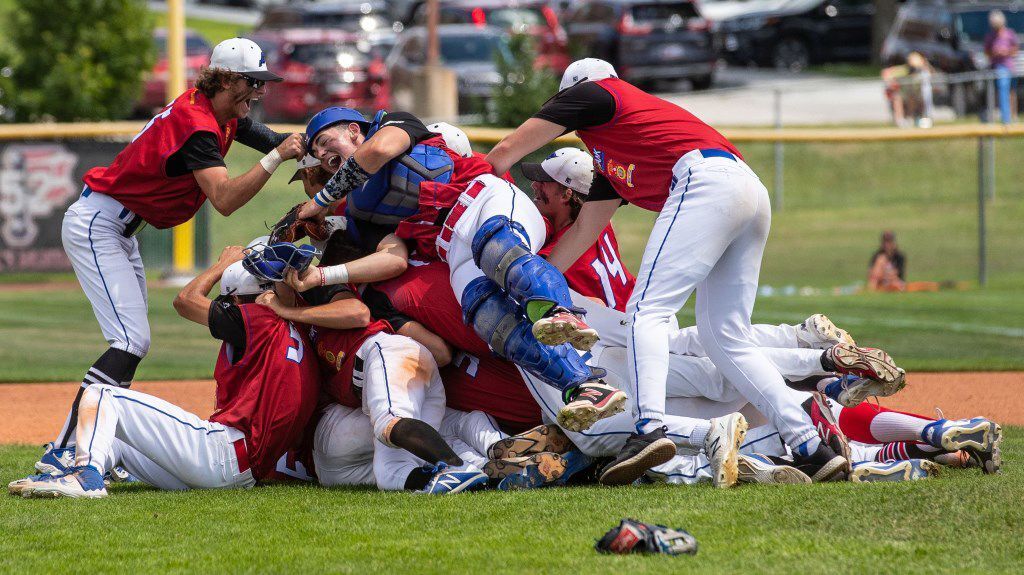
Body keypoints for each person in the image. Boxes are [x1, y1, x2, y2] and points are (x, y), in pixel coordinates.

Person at [485, 57, 852, 485]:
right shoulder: (612, 150)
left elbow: (505, 152)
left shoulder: (594, 94)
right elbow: (585, 228)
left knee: (647, 311)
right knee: (724, 336)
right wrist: (531, 280)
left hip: (705, 179)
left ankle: (649, 429)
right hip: (745, 187)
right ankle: (810, 444)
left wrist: (475, 189)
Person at [39, 37, 306, 474]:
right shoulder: (198, 122)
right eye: (253, 82)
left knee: (132, 341)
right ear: (227, 79)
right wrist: (278, 157)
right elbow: (224, 198)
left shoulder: (220, 113)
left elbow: (280, 139)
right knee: (129, 341)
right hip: (99, 222)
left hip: (121, 226)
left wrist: (327, 151)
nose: (260, 91)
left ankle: (89, 440)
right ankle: (66, 450)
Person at [287, 108, 625, 432]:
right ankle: (583, 385)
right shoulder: (361, 211)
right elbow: (394, 257)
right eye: (316, 150)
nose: (320, 151)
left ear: (352, 129)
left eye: (324, 140)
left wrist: (319, 201)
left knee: (498, 250)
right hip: (452, 246)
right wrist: (322, 270)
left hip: (482, 199)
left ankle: (557, 311)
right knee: (492, 320)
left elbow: (377, 150)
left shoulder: (392, 124)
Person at [10, 246, 321, 498]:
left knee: (101, 395)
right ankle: (78, 471)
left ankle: (86, 479)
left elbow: (185, 301)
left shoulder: (257, 319)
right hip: (240, 470)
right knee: (115, 438)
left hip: (221, 453)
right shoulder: (296, 326)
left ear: (237, 299)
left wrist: (221, 265)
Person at [522, 147, 636, 312]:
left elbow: (597, 304)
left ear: (565, 195)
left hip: (616, 327)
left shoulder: (554, 255)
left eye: (544, 181)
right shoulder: (602, 222)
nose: (534, 185)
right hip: (638, 306)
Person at [881, 52, 934, 128]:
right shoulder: (904, 69)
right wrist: (891, 81)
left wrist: (925, 65)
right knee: (897, 98)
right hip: (903, 94)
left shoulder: (923, 71)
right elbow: (885, 73)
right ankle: (900, 120)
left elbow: (932, 74)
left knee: (913, 98)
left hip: (915, 96)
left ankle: (912, 119)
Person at [984, 11, 1019, 124]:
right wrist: (995, 53)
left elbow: (1015, 50)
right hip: (997, 67)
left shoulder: (1009, 34)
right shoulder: (990, 36)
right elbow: (986, 52)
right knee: (1002, 91)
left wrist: (1006, 52)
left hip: (1010, 67)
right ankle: (1005, 118)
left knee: (1011, 92)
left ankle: (1013, 116)